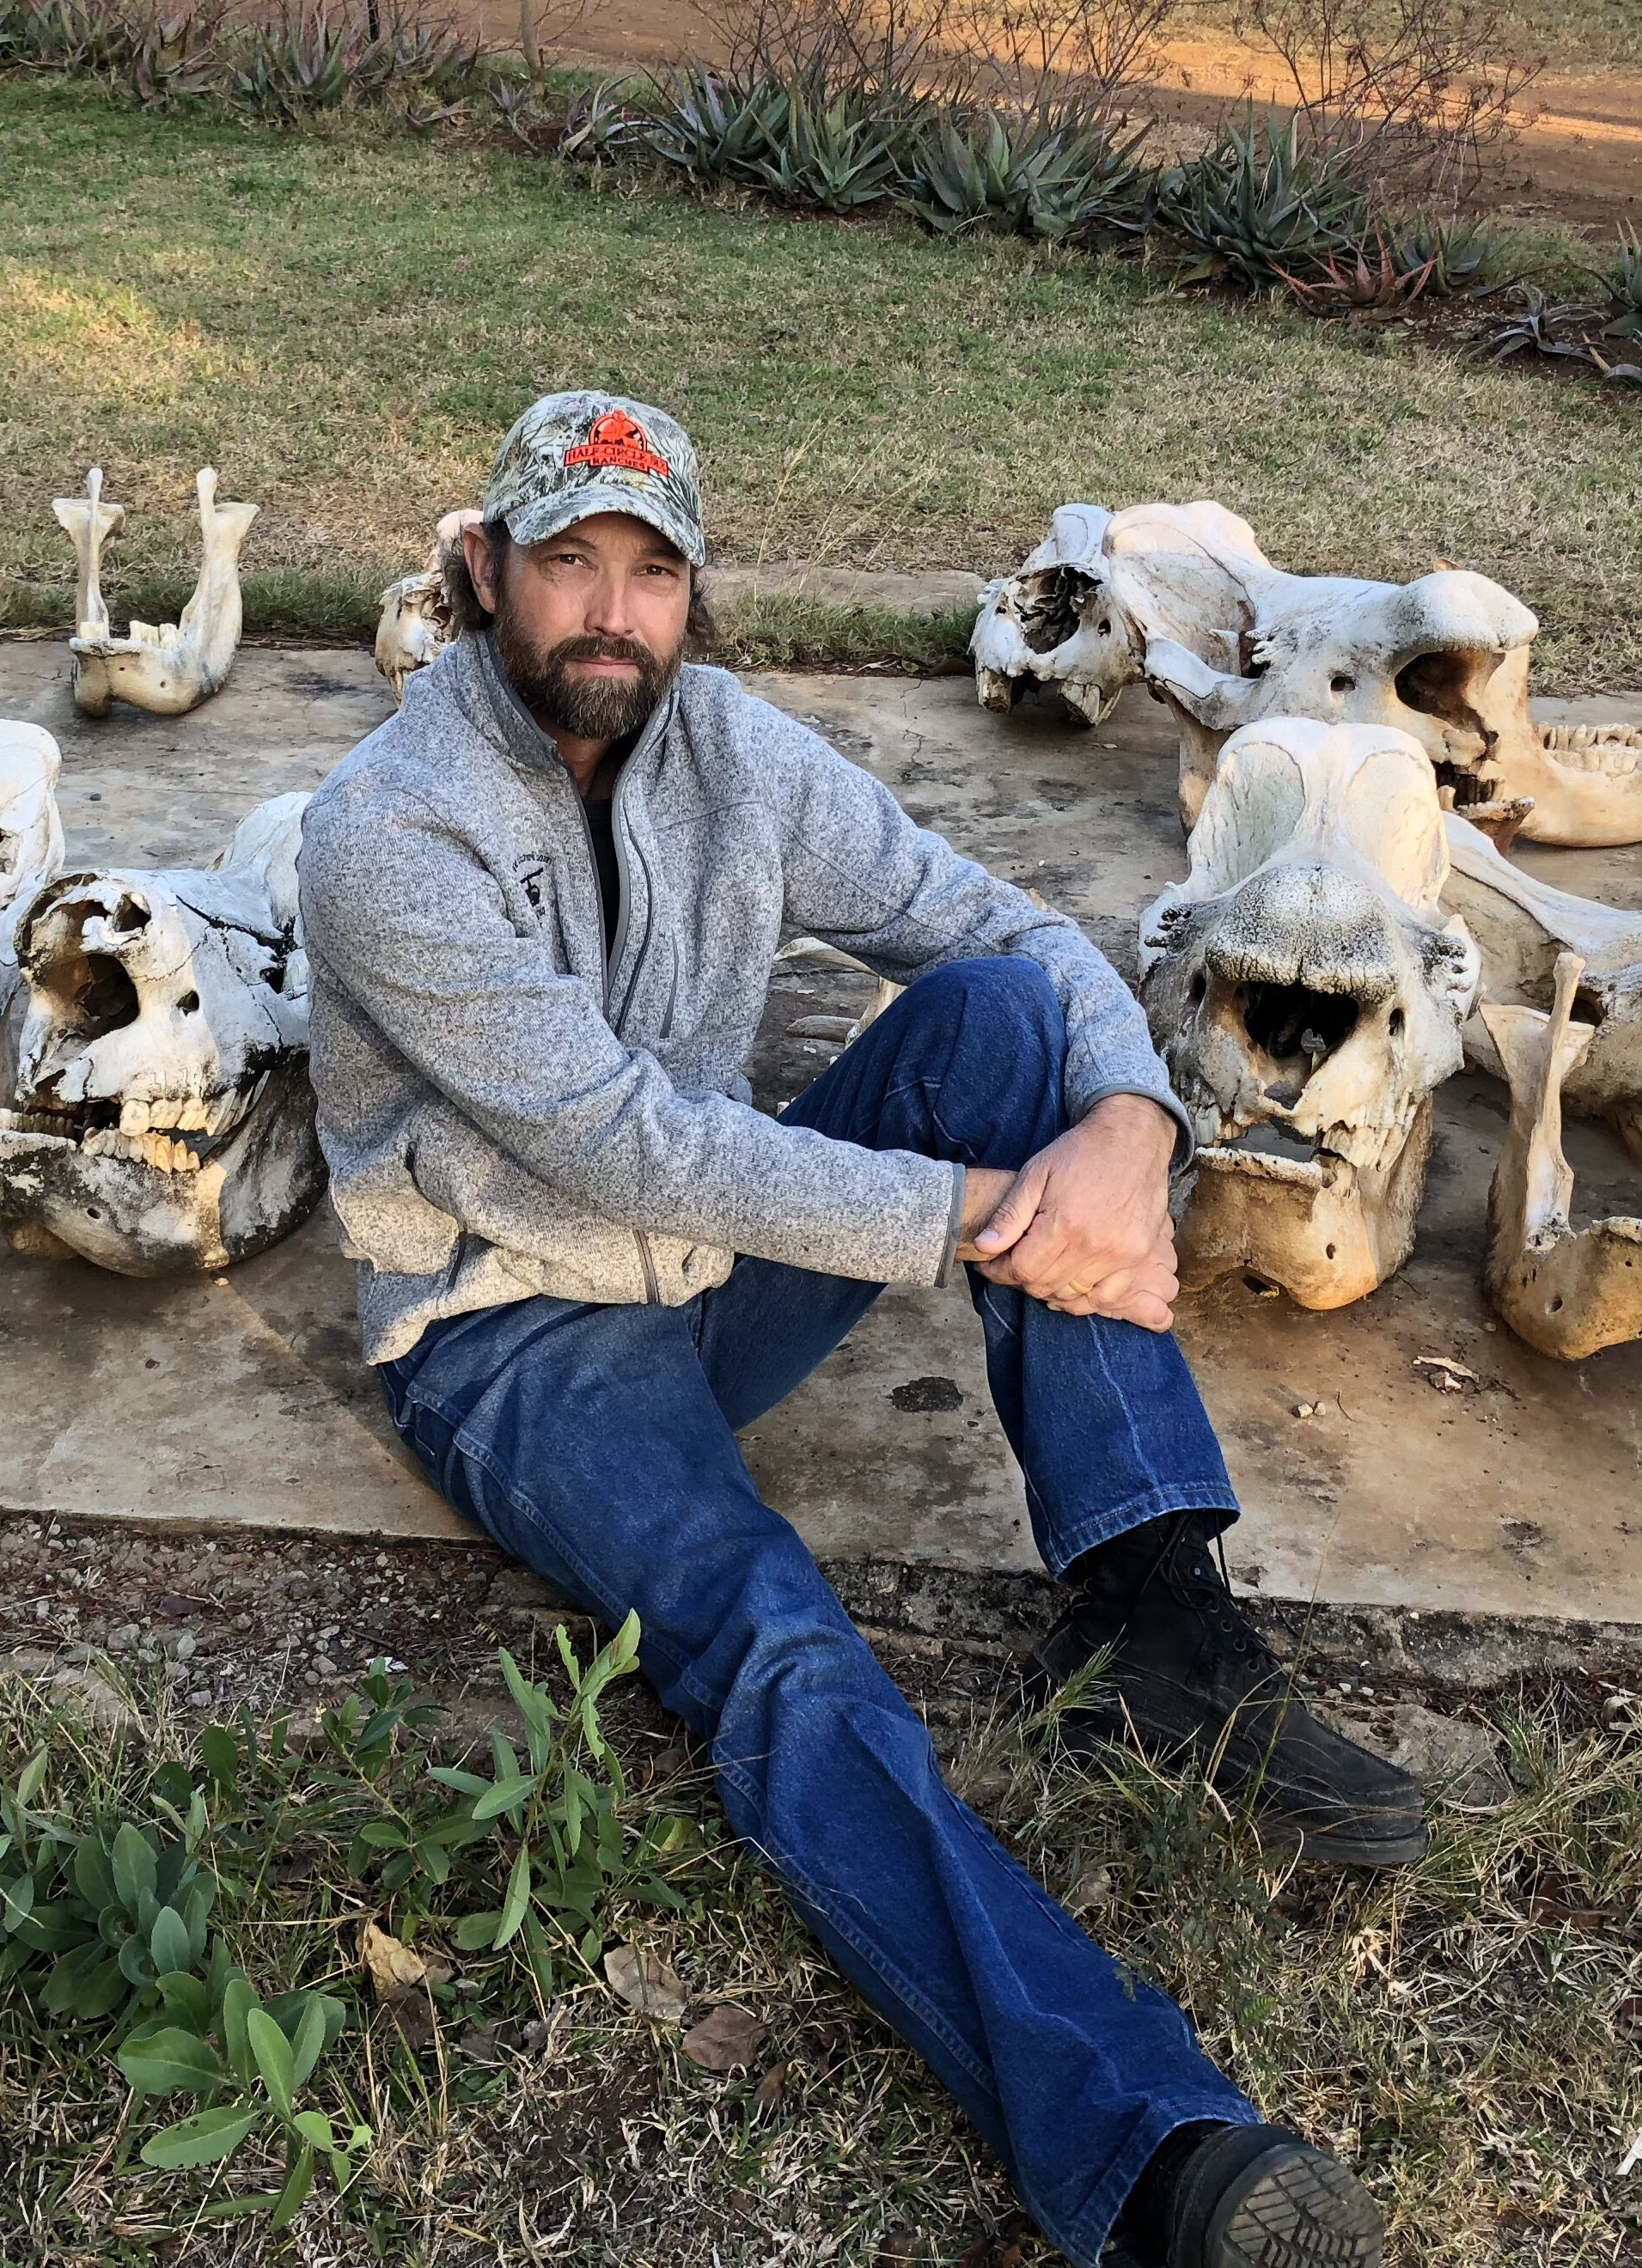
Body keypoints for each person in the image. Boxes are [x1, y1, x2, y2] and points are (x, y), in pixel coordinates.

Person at [299, 392, 1418, 2268]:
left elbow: (1023, 939)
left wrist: (1129, 1131)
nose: (609, 612)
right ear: (483, 569)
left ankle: (1155, 1620)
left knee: (997, 1024)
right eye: (567, 559)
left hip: (710, 1287)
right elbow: (622, 1144)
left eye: (652, 573)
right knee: (784, 1654)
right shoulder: (383, 837)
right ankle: (1150, 2148)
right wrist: (1000, 1223)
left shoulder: (730, 750)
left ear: (693, 596)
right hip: (515, 1333)